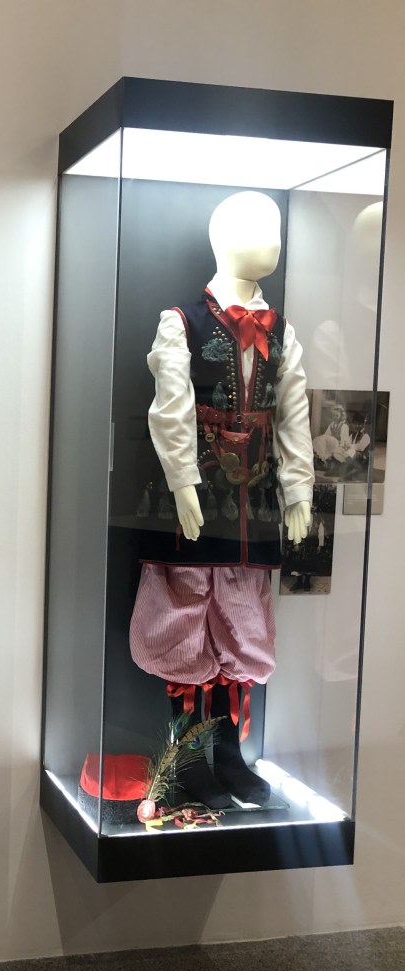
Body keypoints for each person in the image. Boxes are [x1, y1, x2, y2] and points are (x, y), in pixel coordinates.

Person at [130, 192, 314, 808]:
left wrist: (298, 489)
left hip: (254, 497)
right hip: (195, 495)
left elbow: (293, 411)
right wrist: (183, 479)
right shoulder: (179, 320)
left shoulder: (282, 330)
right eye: (263, 228)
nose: (276, 241)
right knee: (186, 612)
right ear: (223, 235)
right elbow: (170, 406)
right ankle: (184, 756)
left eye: (278, 229)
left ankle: (232, 755)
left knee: (244, 617)